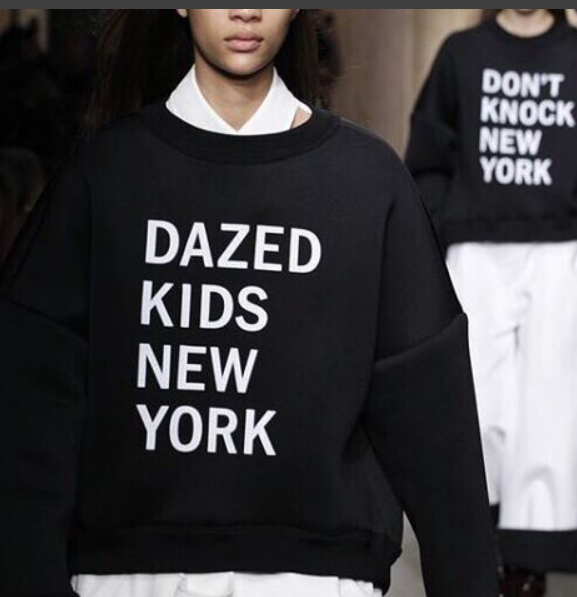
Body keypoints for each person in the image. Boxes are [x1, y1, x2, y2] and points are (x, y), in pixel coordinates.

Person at [0, 9, 498, 597]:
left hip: (317, 583)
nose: (246, 10)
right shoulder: (105, 176)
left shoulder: (366, 183)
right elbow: (31, 415)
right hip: (128, 578)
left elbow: (435, 425)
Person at [406, 8, 577, 597]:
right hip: (476, 250)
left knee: (549, 412)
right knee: (474, 406)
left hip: (562, 249)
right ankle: (478, 559)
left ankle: (527, 570)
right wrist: (440, 231)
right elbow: (429, 153)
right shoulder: (462, 54)